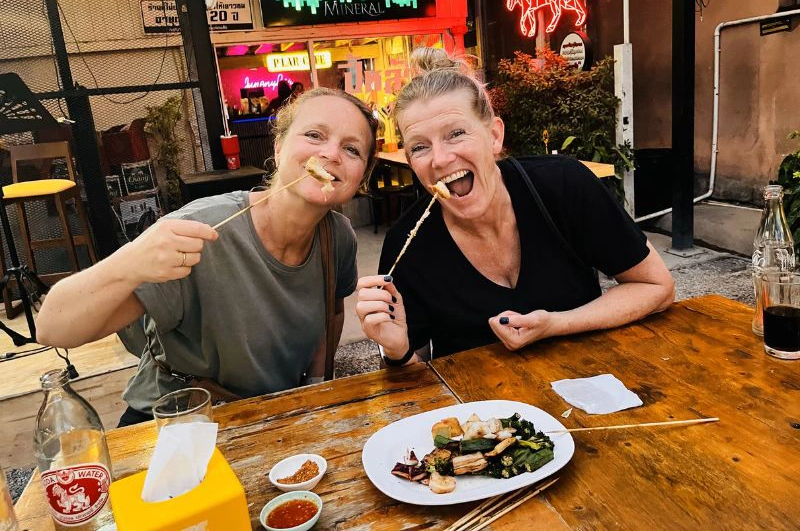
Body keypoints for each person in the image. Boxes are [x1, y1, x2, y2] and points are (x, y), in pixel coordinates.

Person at [36, 88, 378, 425]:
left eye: (352, 149)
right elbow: (54, 328)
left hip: (271, 417)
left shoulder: (338, 239)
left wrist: (316, 385)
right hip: (177, 420)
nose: (332, 153)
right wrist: (128, 261)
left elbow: (330, 313)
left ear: (362, 174)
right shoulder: (200, 230)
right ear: (278, 145)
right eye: (315, 135)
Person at [356, 48, 674, 366]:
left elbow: (656, 286)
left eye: (455, 134)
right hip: (482, 410)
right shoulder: (407, 244)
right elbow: (416, 382)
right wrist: (397, 351)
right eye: (420, 147)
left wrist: (556, 324)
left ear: (494, 136)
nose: (439, 159)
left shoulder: (562, 186)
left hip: (593, 383)